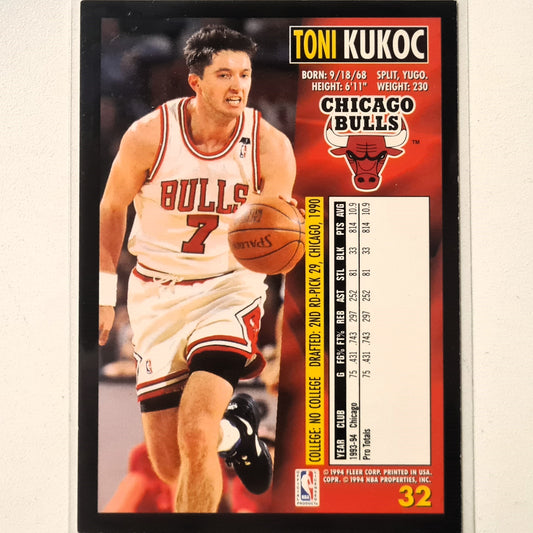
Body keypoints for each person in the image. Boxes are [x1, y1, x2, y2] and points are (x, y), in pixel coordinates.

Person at [98, 24, 297, 513]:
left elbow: (281, 242)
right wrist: (104, 296)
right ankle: (237, 431)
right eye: (224, 74)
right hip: (156, 294)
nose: (238, 85)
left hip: (228, 291)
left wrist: (286, 316)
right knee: (171, 464)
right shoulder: (149, 135)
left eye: (245, 74)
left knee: (195, 431)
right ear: (196, 82)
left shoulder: (269, 146)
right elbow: (111, 207)